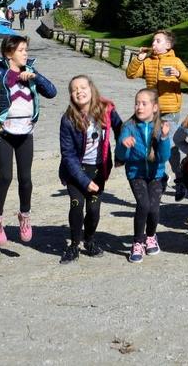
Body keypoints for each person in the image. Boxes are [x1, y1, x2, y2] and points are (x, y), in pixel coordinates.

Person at [0, 35, 57, 245]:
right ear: (9, 53)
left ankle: (24, 217)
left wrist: (34, 78)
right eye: (21, 50)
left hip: (26, 132)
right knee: (5, 177)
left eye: (26, 50)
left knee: (26, 179)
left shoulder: (31, 70)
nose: (25, 54)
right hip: (4, 132)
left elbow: (52, 92)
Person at [58, 75, 122, 263]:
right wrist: (85, 182)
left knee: (93, 210)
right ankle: (74, 245)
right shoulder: (68, 119)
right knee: (77, 205)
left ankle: (90, 239)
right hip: (75, 170)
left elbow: (122, 129)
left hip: (97, 168)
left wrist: (121, 153)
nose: (79, 91)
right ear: (71, 95)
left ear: (92, 89)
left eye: (83, 87)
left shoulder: (106, 111)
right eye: (74, 89)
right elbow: (68, 155)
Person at [125, 29, 188, 199]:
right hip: (152, 111)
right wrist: (138, 59)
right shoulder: (147, 61)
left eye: (158, 41)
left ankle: (179, 180)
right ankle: (162, 176)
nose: (153, 44)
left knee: (167, 145)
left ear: (168, 45)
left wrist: (179, 74)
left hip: (170, 111)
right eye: (153, 41)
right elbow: (130, 74)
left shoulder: (175, 61)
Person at [115, 88, 173, 263]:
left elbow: (164, 157)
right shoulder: (129, 127)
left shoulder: (160, 126)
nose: (139, 107)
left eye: (144, 103)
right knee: (143, 205)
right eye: (137, 103)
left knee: (154, 209)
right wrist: (123, 145)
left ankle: (150, 236)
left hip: (156, 174)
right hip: (136, 174)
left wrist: (163, 138)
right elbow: (120, 156)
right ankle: (137, 242)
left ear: (155, 107)